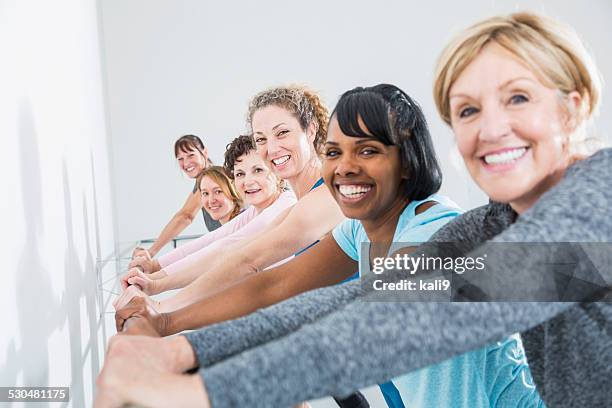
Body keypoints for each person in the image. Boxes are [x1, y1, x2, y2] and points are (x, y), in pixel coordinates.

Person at [95, 12, 611, 408]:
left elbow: (428, 315)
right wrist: (181, 350)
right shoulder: (492, 224)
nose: (491, 128)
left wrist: (202, 390)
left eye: (518, 98)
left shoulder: (598, 205)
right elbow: (357, 300)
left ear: (575, 104)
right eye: (469, 110)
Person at [112, 84, 543, 408]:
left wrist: (184, 362)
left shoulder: (432, 230)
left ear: (406, 157)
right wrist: (166, 322)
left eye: (368, 150)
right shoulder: (361, 228)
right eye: (335, 152)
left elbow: (346, 324)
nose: (345, 167)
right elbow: (274, 285)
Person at [114, 85, 346, 312]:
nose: (272, 148)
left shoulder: (325, 196)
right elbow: (222, 246)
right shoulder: (296, 206)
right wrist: (155, 279)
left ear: (311, 130)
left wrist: (162, 304)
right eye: (261, 139)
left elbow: (245, 258)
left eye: (282, 133)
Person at [119, 135, 297, 295]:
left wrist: (156, 282)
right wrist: (155, 266)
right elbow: (212, 239)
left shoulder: (281, 206)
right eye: (240, 174)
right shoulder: (255, 210)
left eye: (258, 170)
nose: (248, 181)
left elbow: (223, 247)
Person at [132, 135, 220, 260]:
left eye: (191, 155)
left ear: (204, 152)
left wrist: (151, 251)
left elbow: (185, 216)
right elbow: (185, 214)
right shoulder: (206, 178)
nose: (186, 163)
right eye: (180, 158)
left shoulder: (210, 178)